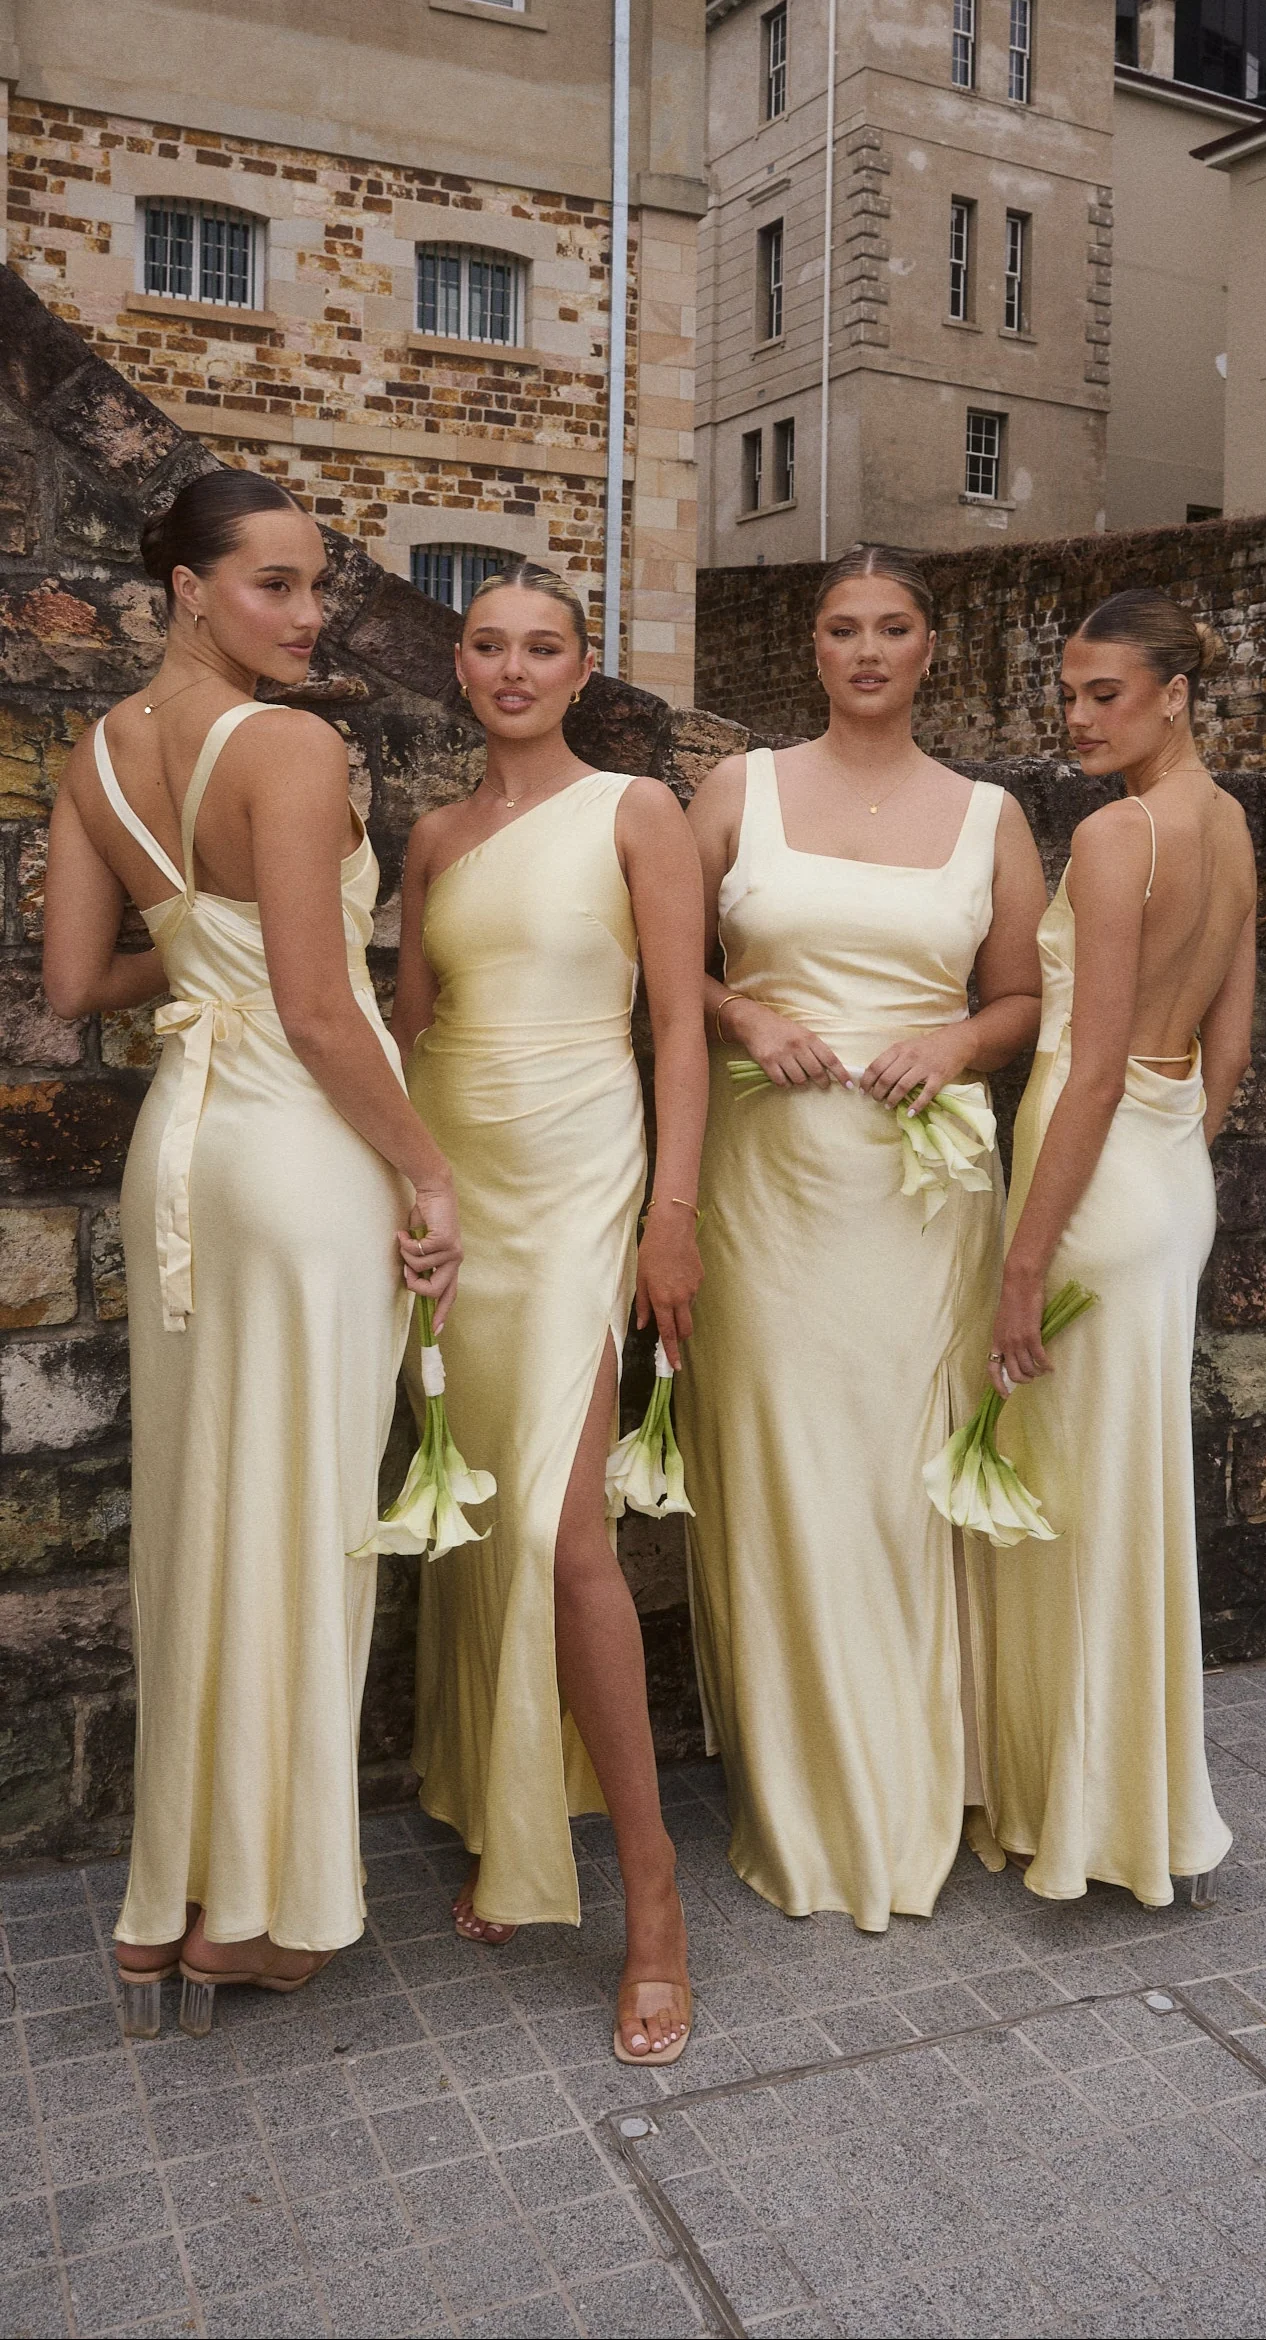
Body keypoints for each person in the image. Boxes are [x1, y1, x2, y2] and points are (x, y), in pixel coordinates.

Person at [42, 471, 461, 2037]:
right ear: (187, 586)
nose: (309, 615)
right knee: (299, 1520)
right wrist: (429, 1173)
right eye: (274, 584)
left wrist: (197, 945)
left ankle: (183, 1902)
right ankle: (266, 1915)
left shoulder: (95, 754)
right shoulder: (288, 747)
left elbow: (76, 980)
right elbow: (320, 1008)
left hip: (185, 1151)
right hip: (295, 1150)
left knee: (204, 1511)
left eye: (319, 587)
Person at [682, 543, 1047, 1931]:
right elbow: (655, 959)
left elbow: (1020, 1000)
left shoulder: (992, 816)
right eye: (844, 628)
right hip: (767, 1187)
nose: (869, 651)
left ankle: (911, 1781)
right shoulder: (740, 789)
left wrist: (954, 1045)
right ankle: (803, 1801)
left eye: (894, 628)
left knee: (901, 1481)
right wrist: (743, 1011)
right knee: (789, 1469)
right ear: (814, 648)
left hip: (922, 1201)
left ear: (931, 647)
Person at [390, 561, 707, 2062]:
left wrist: (672, 1217)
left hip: (584, 1175)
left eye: (542, 647)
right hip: (459, 1183)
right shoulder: (432, 838)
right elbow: (409, 1030)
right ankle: (511, 1813)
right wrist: (404, 1196)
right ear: (459, 665)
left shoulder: (637, 811)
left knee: (565, 1533)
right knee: (475, 1522)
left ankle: (652, 1897)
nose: (512, 668)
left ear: (585, 669)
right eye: (487, 644)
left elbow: (681, 1028)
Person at [988, 589, 1252, 1909]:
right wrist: (1167, 1169)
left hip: (1088, 1189)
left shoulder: (1114, 836)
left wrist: (1025, 1264)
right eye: (1070, 694)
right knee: (1126, 1496)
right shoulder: (1232, 823)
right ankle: (1121, 1802)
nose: (1080, 718)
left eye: (1107, 694)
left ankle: (1088, 1817)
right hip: (1165, 1181)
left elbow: (1088, 1071)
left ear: (1175, 693)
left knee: (1078, 1507)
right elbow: (1229, 1051)